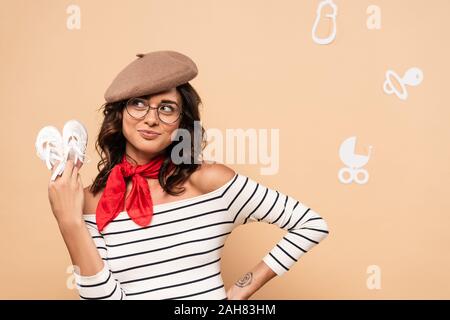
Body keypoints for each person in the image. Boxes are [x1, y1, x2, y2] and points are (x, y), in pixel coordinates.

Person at [47, 51, 330, 300]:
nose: (151, 118)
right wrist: (69, 222)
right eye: (138, 103)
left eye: (166, 108)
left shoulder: (209, 181)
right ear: (119, 113)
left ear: (182, 123)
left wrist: (243, 288)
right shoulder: (93, 200)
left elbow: (311, 224)